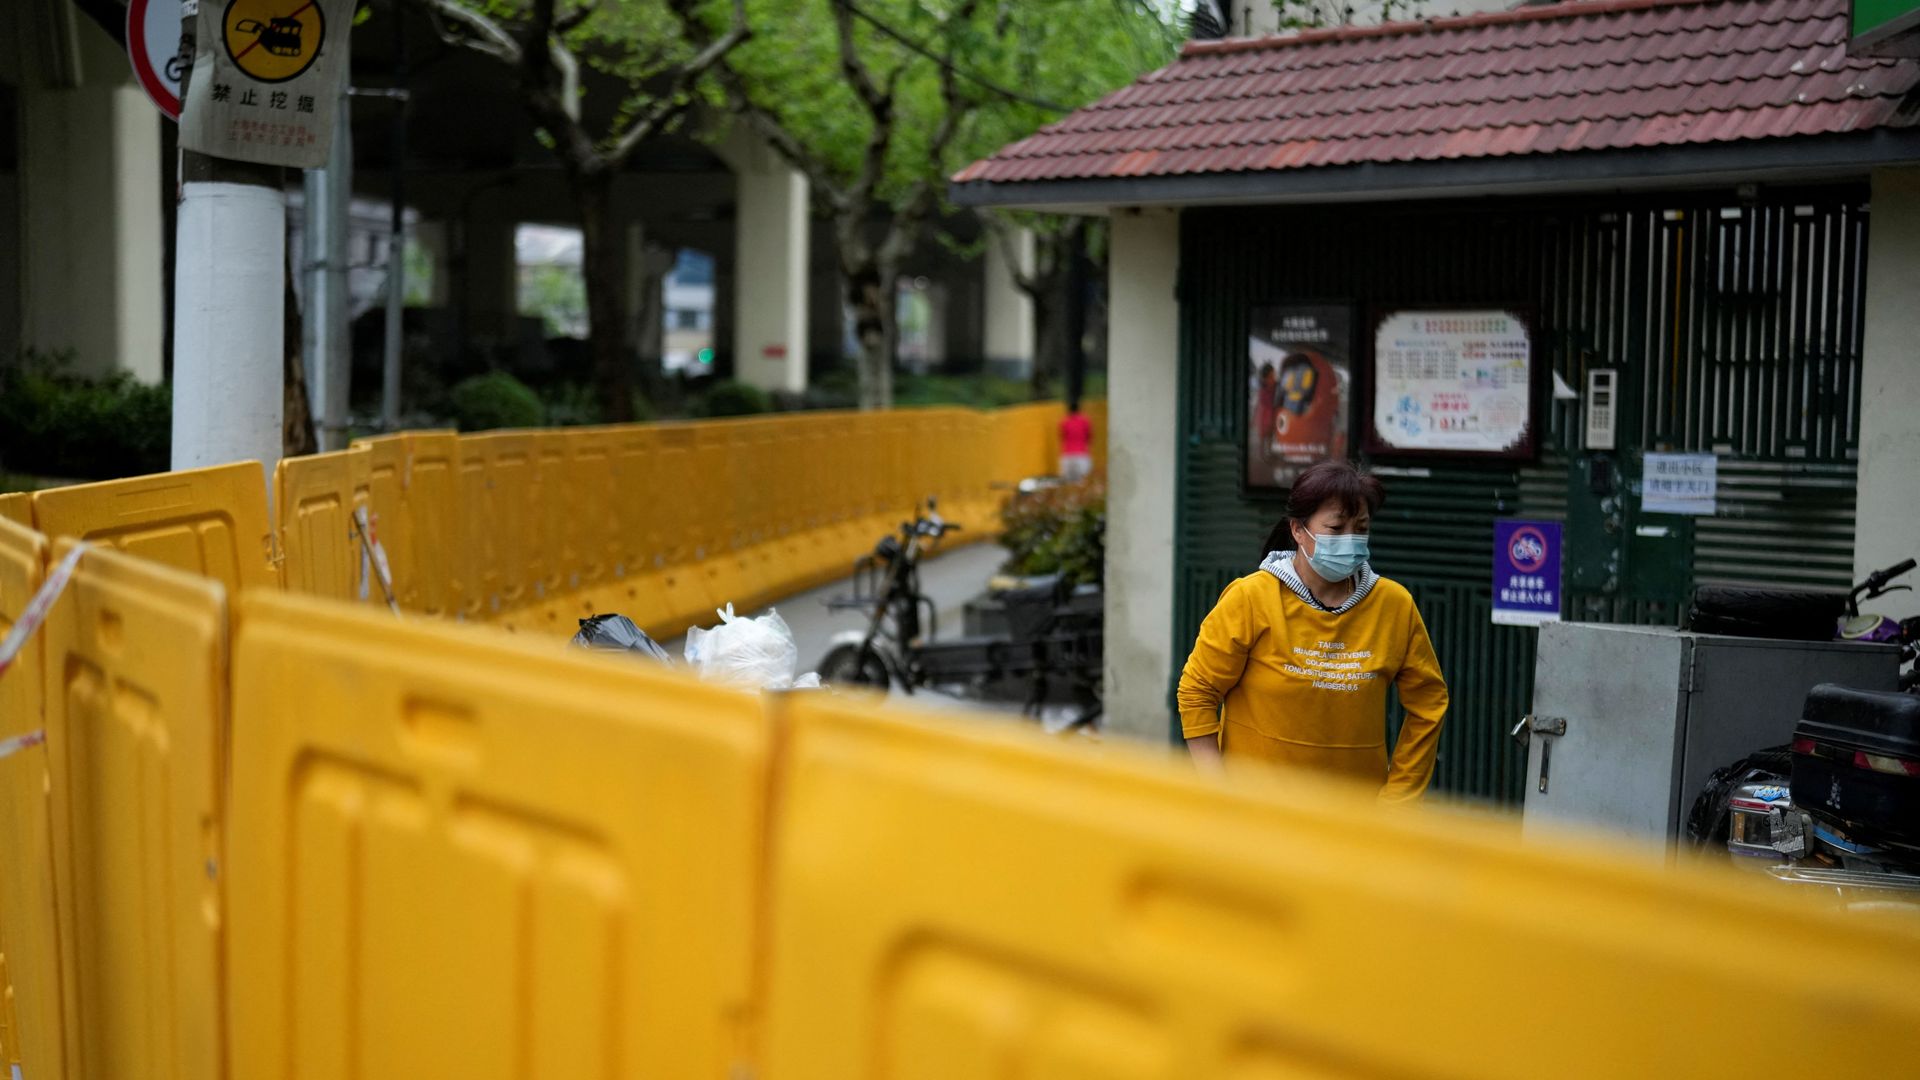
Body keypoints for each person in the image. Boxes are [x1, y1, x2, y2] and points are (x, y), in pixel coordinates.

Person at [1177, 458, 1449, 801]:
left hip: (1355, 816)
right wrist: (1220, 793)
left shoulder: (1395, 605)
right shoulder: (1251, 598)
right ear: (1297, 530)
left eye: (1361, 528)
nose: (1350, 540)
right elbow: (1197, 691)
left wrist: (1398, 801)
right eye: (1336, 528)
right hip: (1257, 813)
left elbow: (1428, 703)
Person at [1059, 399, 1093, 481]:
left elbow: (1062, 437)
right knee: (1084, 481)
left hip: (1067, 454)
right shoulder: (1085, 421)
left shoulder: (1064, 422)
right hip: (1081, 453)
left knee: (1069, 482)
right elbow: (1089, 436)